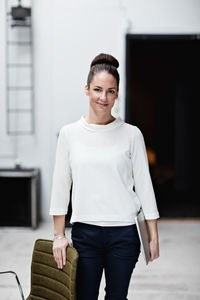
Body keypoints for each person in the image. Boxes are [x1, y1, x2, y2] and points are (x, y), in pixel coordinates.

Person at [49, 53, 160, 300]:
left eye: (111, 91)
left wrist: (153, 235)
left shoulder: (132, 134)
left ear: (117, 93)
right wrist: (59, 236)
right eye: (98, 89)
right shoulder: (70, 134)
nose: (103, 97)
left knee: (117, 297)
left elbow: (144, 186)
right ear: (87, 89)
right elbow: (60, 186)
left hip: (124, 234)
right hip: (84, 233)